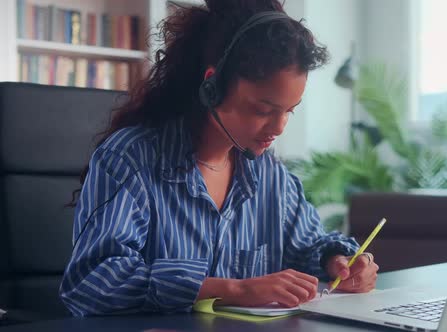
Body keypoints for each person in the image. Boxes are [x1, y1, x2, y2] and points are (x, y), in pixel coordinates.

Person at [59, 0, 379, 317]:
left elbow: (310, 245)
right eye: (263, 110)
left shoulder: (270, 175)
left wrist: (338, 261)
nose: (279, 128)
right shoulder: (130, 159)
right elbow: (92, 282)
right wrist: (233, 289)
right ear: (212, 85)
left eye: (289, 111)